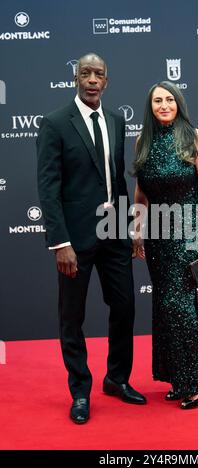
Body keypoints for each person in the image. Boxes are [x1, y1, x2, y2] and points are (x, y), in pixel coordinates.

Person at [37, 52, 146, 424]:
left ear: (107, 80)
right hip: (75, 240)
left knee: (126, 306)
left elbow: (116, 178)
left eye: (99, 74)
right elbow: (48, 187)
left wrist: (131, 228)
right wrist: (60, 242)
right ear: (76, 78)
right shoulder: (54, 124)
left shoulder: (116, 121)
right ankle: (80, 391)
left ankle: (116, 379)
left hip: (114, 233)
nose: (93, 79)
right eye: (86, 73)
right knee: (73, 316)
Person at [133, 81, 198, 409]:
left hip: (187, 229)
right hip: (157, 233)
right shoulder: (143, 141)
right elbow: (141, 194)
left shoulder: (195, 137)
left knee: (179, 306)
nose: (164, 105)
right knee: (165, 305)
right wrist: (137, 231)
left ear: (179, 103)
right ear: (150, 106)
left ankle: (194, 381)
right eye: (157, 100)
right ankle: (182, 374)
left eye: (170, 99)